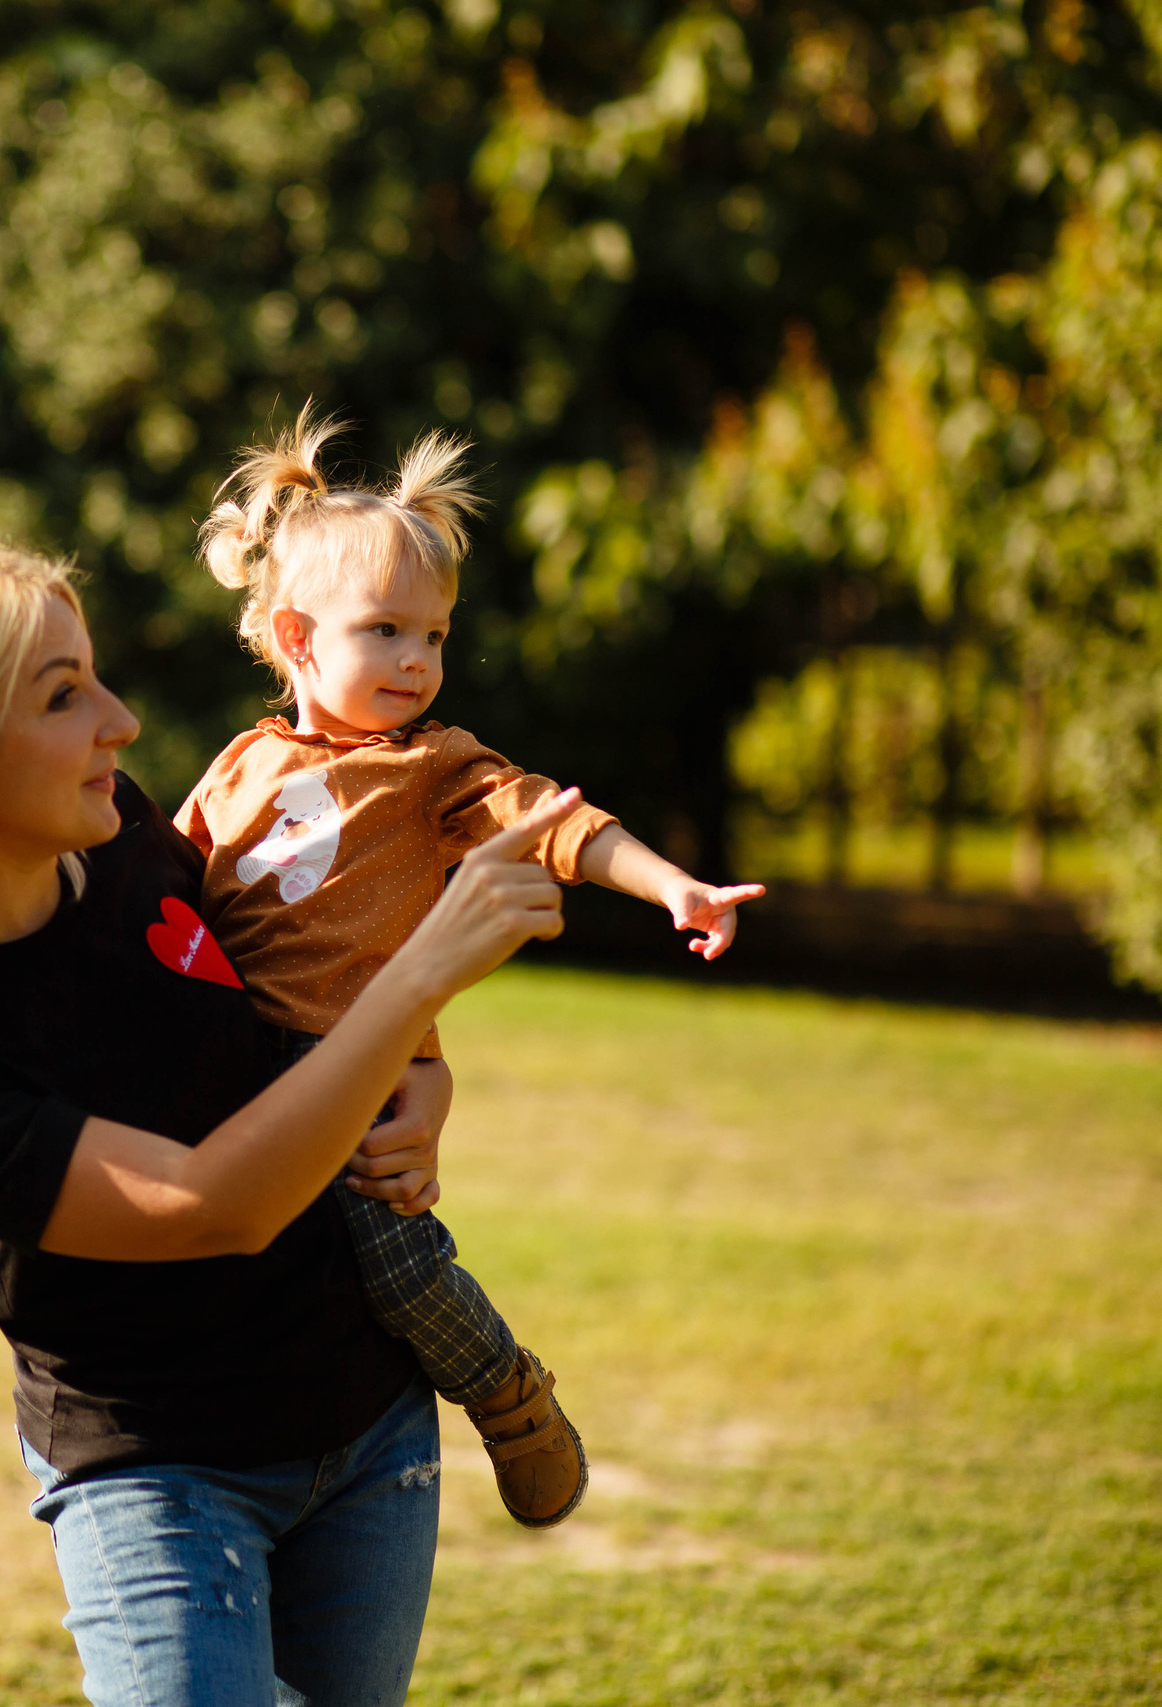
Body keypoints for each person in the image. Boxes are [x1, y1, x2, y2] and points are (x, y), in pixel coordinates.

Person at [0, 540, 585, 1707]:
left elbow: (297, 1001)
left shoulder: (123, 835)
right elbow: (213, 1206)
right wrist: (424, 973)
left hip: (368, 1425)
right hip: (155, 1477)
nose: (122, 721)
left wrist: (425, 1070)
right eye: (63, 695)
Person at [178, 407, 766, 1529]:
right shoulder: (240, 765)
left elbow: (555, 824)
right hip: (234, 1064)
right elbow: (162, 889)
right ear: (298, 637)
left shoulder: (433, 769)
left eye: (435, 635)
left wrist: (671, 886)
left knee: (393, 1266)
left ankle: (507, 1394)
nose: (419, 660)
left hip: (356, 1066)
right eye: (386, 630)